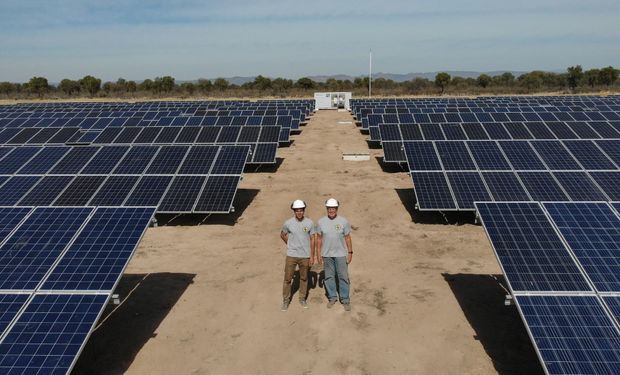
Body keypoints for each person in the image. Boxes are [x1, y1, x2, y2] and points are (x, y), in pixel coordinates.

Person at [316, 198, 353, 311]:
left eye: (333, 208)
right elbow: (319, 239)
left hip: (341, 254)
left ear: (337, 209)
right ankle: (332, 297)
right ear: (327, 209)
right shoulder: (321, 222)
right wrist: (318, 254)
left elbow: (347, 238)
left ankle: (345, 299)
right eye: (329, 208)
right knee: (329, 277)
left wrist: (350, 252)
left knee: (343, 277)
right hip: (327, 255)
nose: (331, 210)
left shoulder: (343, 221)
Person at [280, 199, 316, 311]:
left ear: (304, 210)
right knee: (287, 279)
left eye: (301, 210)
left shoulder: (310, 223)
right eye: (297, 210)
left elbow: (312, 240)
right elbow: (282, 234)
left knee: (304, 278)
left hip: (305, 256)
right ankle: (286, 300)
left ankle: (302, 298)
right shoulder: (288, 223)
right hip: (291, 255)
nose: (299, 212)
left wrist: (312, 256)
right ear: (294, 211)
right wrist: (289, 244)